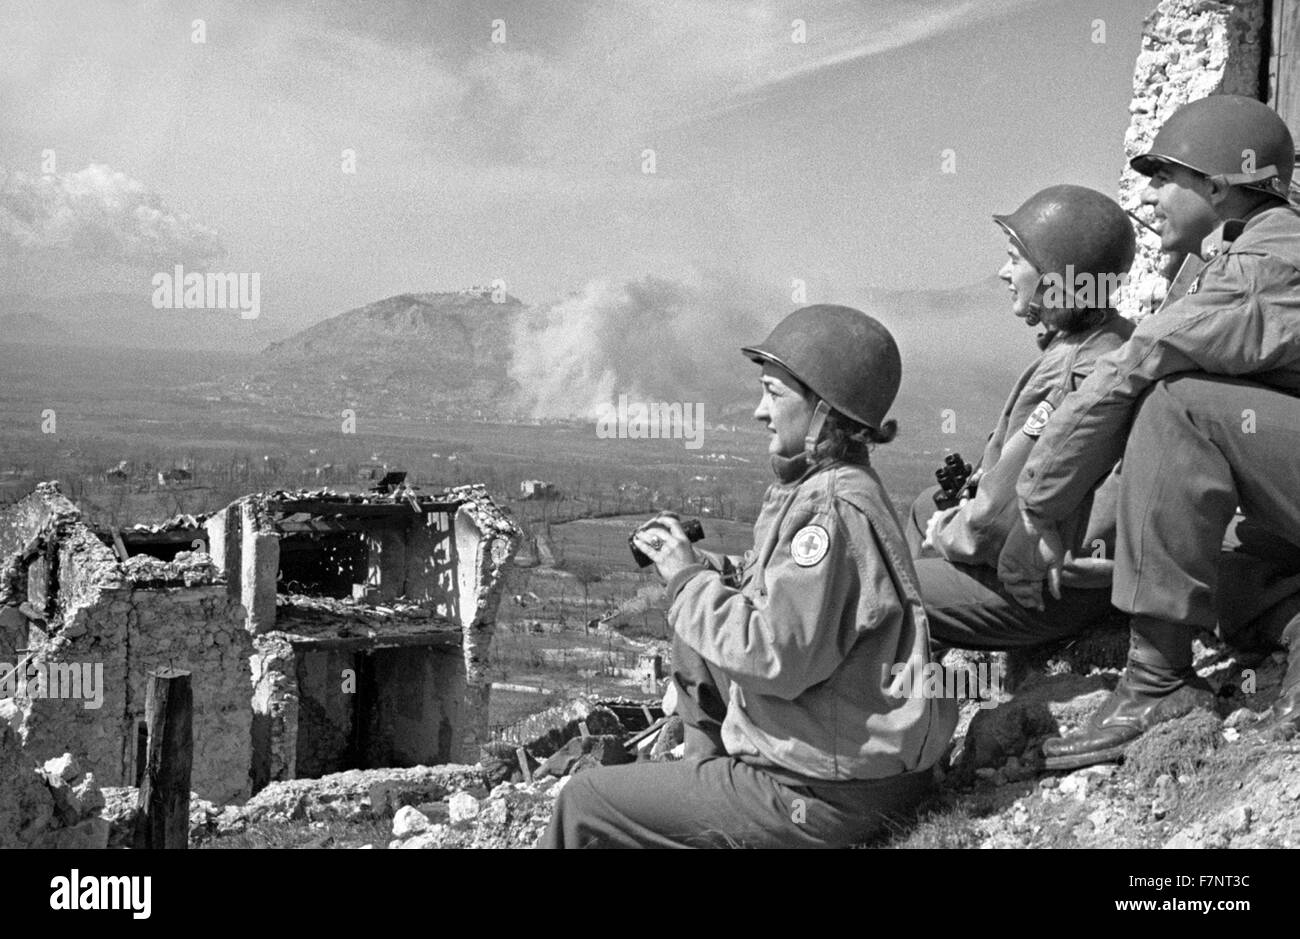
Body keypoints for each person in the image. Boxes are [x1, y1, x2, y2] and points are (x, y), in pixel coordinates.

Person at [540, 305, 956, 848]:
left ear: (824, 413)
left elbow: (774, 655)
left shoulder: (826, 510)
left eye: (773, 393)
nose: (760, 411)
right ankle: (701, 777)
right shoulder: (837, 486)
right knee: (696, 600)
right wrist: (700, 567)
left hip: (822, 793)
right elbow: (791, 598)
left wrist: (687, 580)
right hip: (859, 769)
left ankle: (706, 791)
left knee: (584, 802)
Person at [1014, 95, 1300, 769]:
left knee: (1176, 404)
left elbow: (1132, 370)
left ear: (1219, 185)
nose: (1148, 196)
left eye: (1164, 177)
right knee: (1226, 575)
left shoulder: (1268, 265)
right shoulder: (1233, 251)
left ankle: (1158, 682)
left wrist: (1042, 500)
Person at [904, 186, 1137, 651]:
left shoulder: (1070, 370)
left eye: (1015, 259)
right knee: (927, 503)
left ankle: (914, 696)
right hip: (1071, 559)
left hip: (1050, 588)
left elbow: (993, 522)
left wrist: (945, 535)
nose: (1003, 272)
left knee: (872, 591)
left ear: (1054, 279)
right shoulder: (1108, 337)